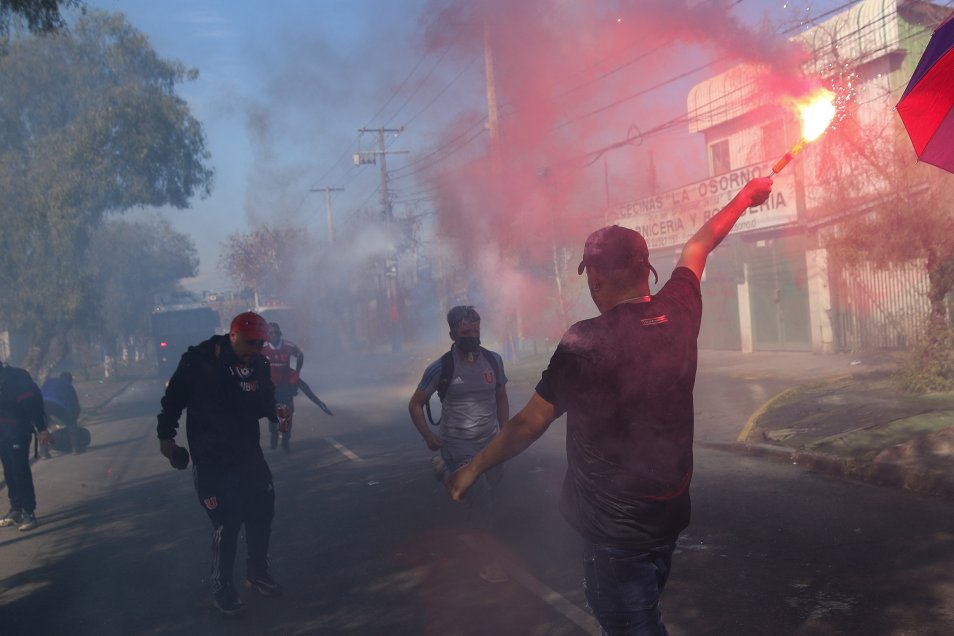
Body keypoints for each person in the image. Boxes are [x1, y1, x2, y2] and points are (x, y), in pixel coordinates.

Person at [446, 177, 774, 633]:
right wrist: (746, 197)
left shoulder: (585, 342)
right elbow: (700, 245)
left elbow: (529, 423)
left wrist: (472, 468)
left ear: (596, 278)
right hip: (667, 520)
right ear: (647, 270)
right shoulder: (679, 311)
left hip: (615, 534)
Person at [157, 311, 284, 617]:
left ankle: (257, 571)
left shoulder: (259, 364)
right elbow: (172, 402)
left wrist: (278, 411)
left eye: (261, 344)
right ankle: (222, 585)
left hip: (248, 453)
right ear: (233, 336)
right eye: (251, 343)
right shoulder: (198, 361)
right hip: (211, 458)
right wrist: (167, 439)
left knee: (262, 508)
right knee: (228, 519)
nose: (256, 350)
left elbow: (266, 400)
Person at [408, 305, 510, 583]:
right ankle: (487, 561)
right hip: (458, 444)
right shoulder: (441, 367)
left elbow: (501, 395)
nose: (472, 337)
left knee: (485, 493)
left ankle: (445, 472)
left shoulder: (493, 361)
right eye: (465, 333)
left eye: (476, 331)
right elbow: (416, 404)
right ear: (453, 335)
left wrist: (505, 430)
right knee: (482, 494)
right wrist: (428, 435)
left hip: (489, 444)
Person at [0, 362, 52, 531]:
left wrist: (42, 428)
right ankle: (16, 509)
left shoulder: (16, 377)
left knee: (20, 471)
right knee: (9, 471)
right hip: (2, 433)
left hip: (18, 431)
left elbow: (32, 405)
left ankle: (29, 512)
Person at [261, 322, 304, 452]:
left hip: (286, 386)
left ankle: (286, 439)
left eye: (276, 332)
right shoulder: (262, 348)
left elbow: (300, 355)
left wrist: (297, 372)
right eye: (271, 333)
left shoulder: (288, 346)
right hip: (270, 387)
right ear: (267, 335)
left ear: (280, 333)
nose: (274, 335)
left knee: (286, 414)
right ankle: (274, 433)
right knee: (272, 412)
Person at [40, 371, 82, 455]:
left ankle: (44, 453)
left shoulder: (49, 382)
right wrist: (74, 416)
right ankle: (75, 448)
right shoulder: (68, 385)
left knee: (42, 428)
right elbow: (74, 404)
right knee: (71, 422)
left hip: (42, 404)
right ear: (70, 379)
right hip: (58, 404)